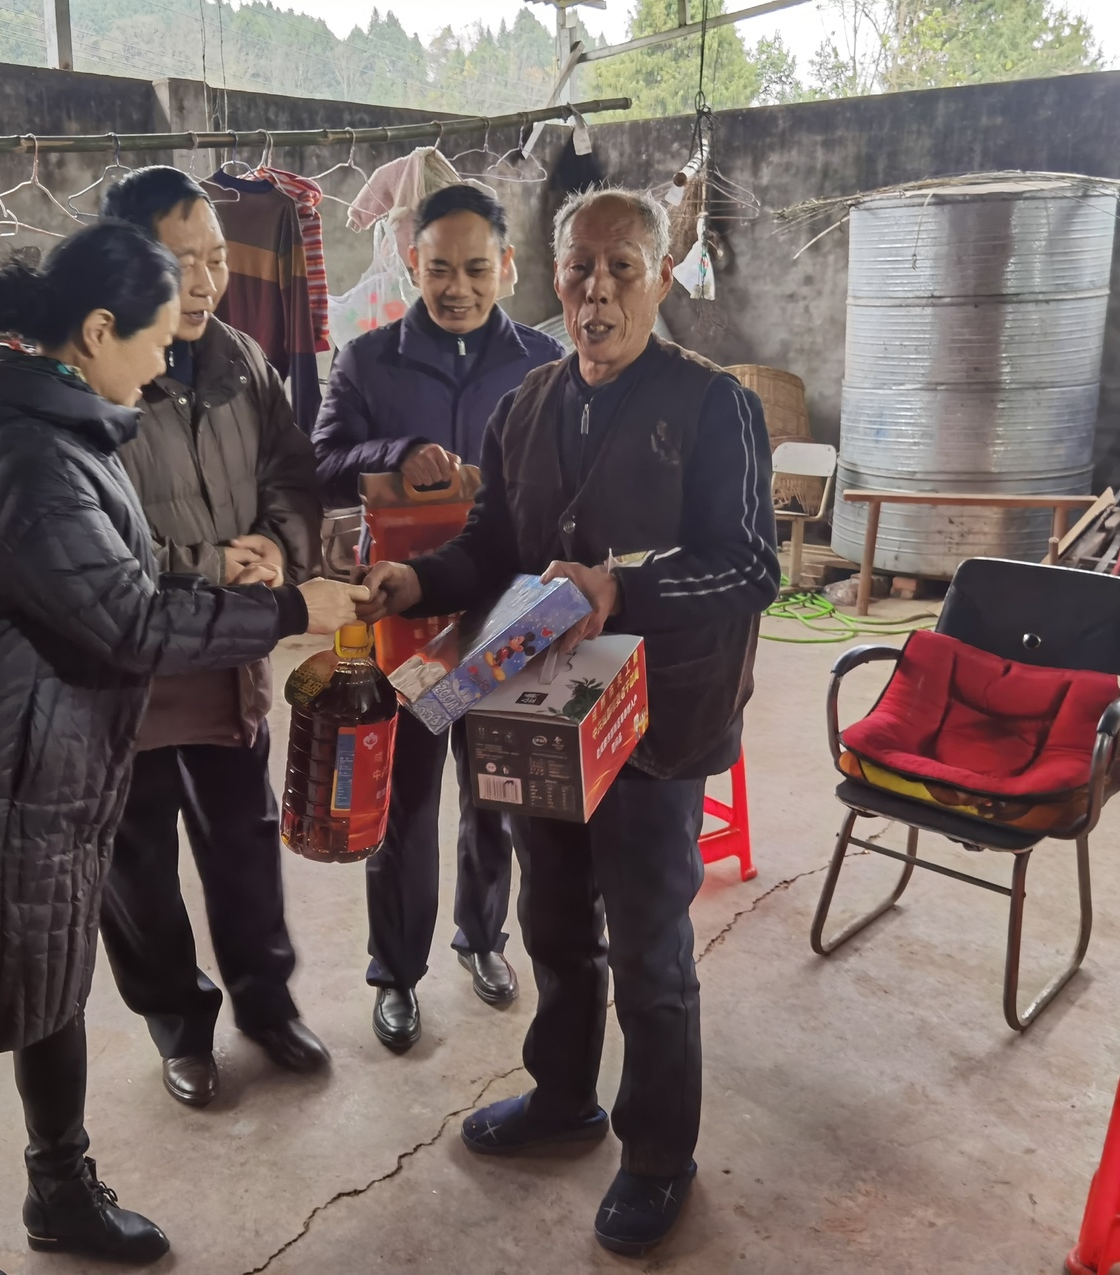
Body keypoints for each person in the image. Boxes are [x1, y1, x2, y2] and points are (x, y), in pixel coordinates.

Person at [0, 220, 365, 1275]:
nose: (159, 365)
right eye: (152, 340)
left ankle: (60, 1191)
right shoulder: (27, 462)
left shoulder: (52, 437)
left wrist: (227, 575)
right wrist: (289, 609)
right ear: (98, 331)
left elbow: (112, 588)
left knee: (49, 1000)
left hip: (37, 780)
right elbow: (130, 625)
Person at [358, 188, 780, 1258]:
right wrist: (418, 579)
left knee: (648, 946)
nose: (596, 291)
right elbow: (492, 546)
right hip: (540, 717)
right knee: (551, 919)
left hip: (656, 724)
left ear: (660, 278)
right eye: (580, 269)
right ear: (553, 276)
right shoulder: (526, 404)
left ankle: (658, 1152)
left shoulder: (710, 405)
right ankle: (561, 1096)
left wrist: (619, 589)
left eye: (621, 268)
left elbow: (748, 566)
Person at [311, 183, 563, 1052]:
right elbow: (324, 460)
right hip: (405, 617)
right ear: (411, 263)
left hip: (504, 616)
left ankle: (483, 937)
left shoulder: (543, 363)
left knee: (495, 789)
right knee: (406, 799)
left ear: (508, 266)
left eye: (477, 269)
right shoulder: (367, 360)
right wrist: (396, 453)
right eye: (441, 268)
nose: (458, 287)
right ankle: (396, 971)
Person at [95, 166, 327, 1109]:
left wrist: (276, 544)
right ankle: (179, 1027)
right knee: (138, 858)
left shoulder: (241, 361)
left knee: (244, 838)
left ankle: (266, 1005)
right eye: (178, 262)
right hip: (129, 671)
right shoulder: (98, 376)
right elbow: (96, 548)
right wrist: (211, 562)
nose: (202, 283)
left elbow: (293, 471)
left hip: (228, 656)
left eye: (216, 260)